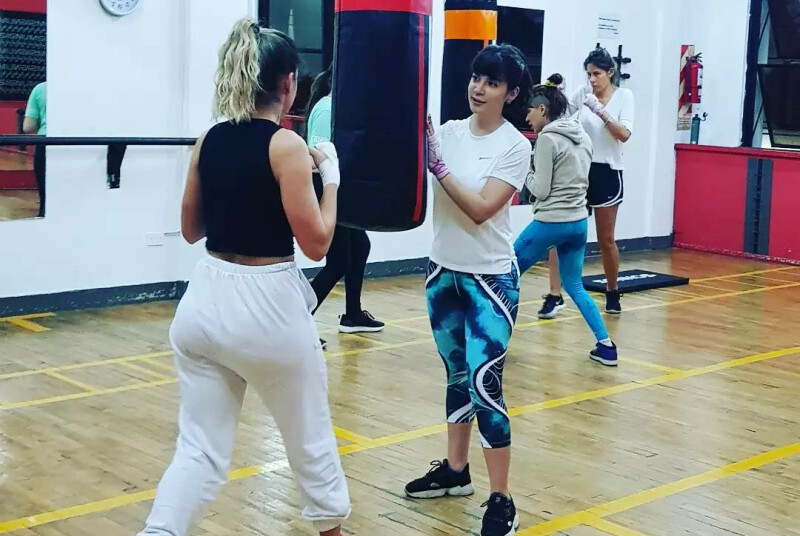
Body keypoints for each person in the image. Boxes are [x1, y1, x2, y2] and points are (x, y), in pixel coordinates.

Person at [136, 19, 350, 536]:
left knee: (198, 452)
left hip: (203, 303)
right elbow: (318, 243)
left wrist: (239, 195)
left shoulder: (208, 138)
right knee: (311, 443)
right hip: (267, 307)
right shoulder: (285, 146)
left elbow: (192, 230)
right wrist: (331, 181)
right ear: (288, 83)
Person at [403, 44, 532, 536]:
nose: (479, 88)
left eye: (492, 83)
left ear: (510, 94)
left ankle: (502, 498)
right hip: (443, 272)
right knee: (456, 375)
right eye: (477, 78)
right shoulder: (449, 133)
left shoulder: (514, 145)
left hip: (489, 281)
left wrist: (439, 167)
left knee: (484, 384)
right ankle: (456, 472)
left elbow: (480, 209)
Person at [514, 74, 618, 366]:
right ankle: (606, 346)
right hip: (578, 224)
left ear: (542, 109)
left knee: (504, 274)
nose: (527, 117)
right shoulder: (582, 136)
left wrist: (524, 173)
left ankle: (493, 340)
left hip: (551, 222)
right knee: (574, 285)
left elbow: (540, 189)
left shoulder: (547, 139)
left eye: (530, 111)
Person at [538, 47, 634, 317]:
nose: (592, 79)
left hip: (607, 171)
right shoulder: (582, 93)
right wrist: (554, 92)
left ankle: (612, 290)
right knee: (558, 233)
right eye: (588, 74)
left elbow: (624, 134)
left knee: (606, 239)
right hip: (578, 169)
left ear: (610, 73)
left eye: (597, 74)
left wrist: (601, 112)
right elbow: (559, 118)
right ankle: (555, 295)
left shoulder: (624, 96)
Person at [305, 67, 384, 346]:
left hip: (342, 192)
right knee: (338, 261)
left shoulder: (340, 110)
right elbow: (319, 157)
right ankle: (298, 323)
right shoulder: (327, 108)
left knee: (360, 246)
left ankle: (352, 315)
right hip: (328, 192)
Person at [23, 81, 46, 218]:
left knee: (46, 200)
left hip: (46, 143)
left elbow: (28, 127)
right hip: (82, 145)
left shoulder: (40, 88)